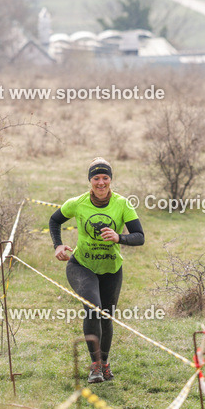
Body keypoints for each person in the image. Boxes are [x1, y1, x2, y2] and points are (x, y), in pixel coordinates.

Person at [50, 157, 144, 383]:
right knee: (94, 308)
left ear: (110, 179)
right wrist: (58, 245)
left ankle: (105, 363)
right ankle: (95, 367)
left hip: (111, 269)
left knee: (106, 317)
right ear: (90, 180)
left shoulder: (122, 204)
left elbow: (139, 237)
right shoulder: (78, 202)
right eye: (96, 178)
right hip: (81, 266)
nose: (101, 183)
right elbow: (54, 220)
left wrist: (119, 237)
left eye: (105, 178)